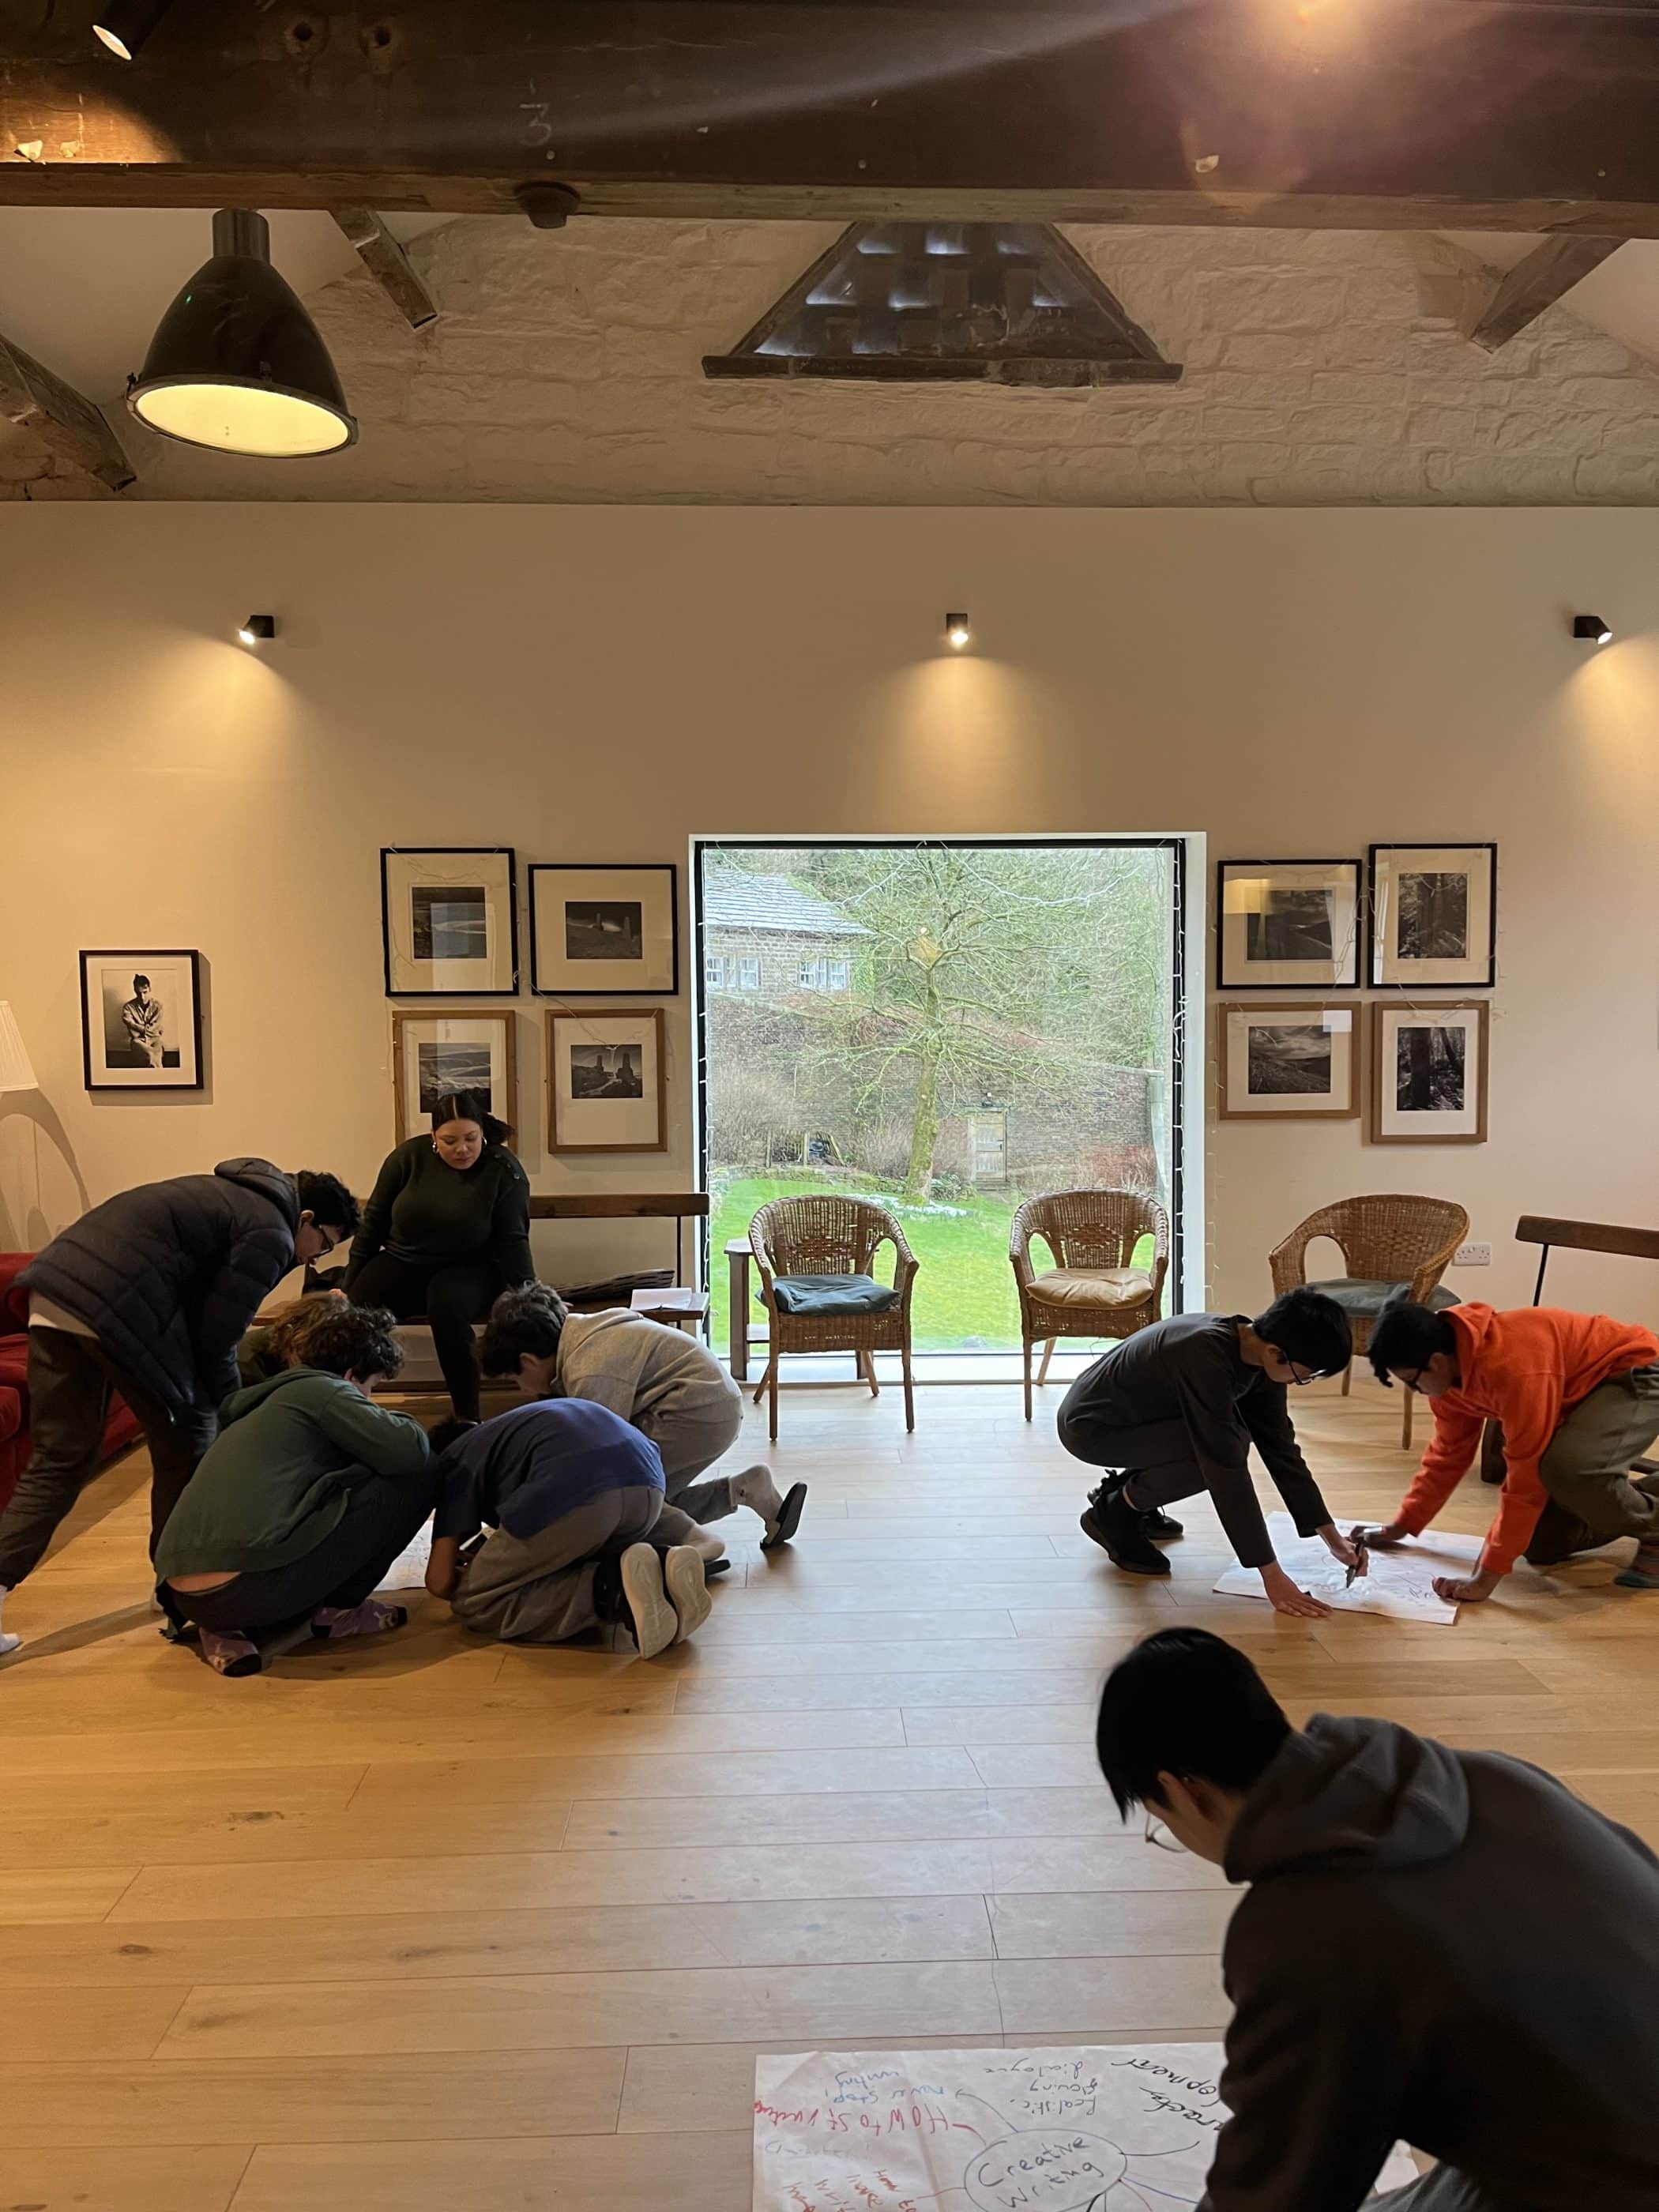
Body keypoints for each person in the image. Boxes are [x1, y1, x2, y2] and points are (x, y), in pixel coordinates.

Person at [1094, 1627, 1659, 2211]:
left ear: (1183, 1791)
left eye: (1162, 1819)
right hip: (1599, 2128)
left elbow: (1276, 2189)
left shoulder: (1304, 1930)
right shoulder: (1491, 1776)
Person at [0, 1157, 359, 1658]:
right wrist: (236, 1409)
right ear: (307, 1219)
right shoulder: (271, 1231)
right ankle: (179, 1589)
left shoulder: (232, 1196)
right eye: (322, 1244)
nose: (312, 1259)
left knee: (58, 1460)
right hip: (115, 1305)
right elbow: (219, 1339)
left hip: (54, 1289)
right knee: (189, 1440)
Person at [154, 1302, 435, 1677]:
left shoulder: (263, 1404)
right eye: (371, 1387)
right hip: (245, 1593)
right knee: (423, 1471)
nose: (369, 1399)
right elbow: (409, 1452)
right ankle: (340, 1612)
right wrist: (390, 1418)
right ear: (351, 1374)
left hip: (184, 1597)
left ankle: (223, 1630)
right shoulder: (325, 1392)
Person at [1058, 1288, 1357, 1616]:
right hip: (1092, 1429)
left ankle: (1130, 1496)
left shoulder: (1255, 1350)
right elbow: (1225, 1468)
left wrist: (1333, 1539)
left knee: (1232, 1439)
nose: (1302, 1382)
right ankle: (1115, 1510)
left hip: (1139, 1419)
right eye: (1306, 1375)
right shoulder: (1203, 1354)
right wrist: (1272, 1575)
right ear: (1276, 1353)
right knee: (1220, 1451)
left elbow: (1281, 1448)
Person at [1360, 1296, 1659, 1604]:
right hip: (1577, 1392)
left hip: (1635, 1369)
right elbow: (1447, 1457)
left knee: (1570, 1468)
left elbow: (1525, 1479)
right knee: (1543, 1544)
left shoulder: (1513, 1368)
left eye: (1411, 1381)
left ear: (1436, 1362)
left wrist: (1484, 1580)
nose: (1416, 1391)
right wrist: (1403, 1525)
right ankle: (1648, 1497)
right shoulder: (1449, 1380)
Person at [479, 1282, 806, 1555]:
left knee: (627, 1504)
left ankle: (696, 1544)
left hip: (696, 1411)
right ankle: (745, 1489)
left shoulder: (589, 1370)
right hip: (708, 1403)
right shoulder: (584, 1332)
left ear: (528, 1361)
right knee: (649, 1497)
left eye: (515, 1378)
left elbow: (594, 1458)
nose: (522, 1389)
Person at [425, 1396, 711, 1654]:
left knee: (474, 1601)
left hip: (574, 1492)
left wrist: (473, 1577)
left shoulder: (453, 1459)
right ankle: (663, 1575)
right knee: (574, 1558)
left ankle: (612, 1591)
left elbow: (439, 1582)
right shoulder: (513, 1429)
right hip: (649, 1487)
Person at [344, 1092, 534, 1425]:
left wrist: (530, 1296)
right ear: (433, 1137)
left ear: (482, 1133)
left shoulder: (503, 1169)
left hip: (473, 1266)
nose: (462, 1149)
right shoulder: (407, 1158)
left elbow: (513, 1241)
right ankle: (349, 1402)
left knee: (447, 1307)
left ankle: (467, 1417)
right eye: (450, 1141)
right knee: (357, 1305)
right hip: (405, 1259)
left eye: (471, 1139)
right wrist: (348, 1285)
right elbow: (373, 1224)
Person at [120, 973, 164, 1067]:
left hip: (155, 1040)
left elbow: (156, 1028)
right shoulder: (128, 1008)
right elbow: (134, 1034)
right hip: (138, 1042)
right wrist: (150, 1030)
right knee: (152, 1055)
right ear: (135, 991)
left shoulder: (158, 1006)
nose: (142, 997)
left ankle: (153, 1057)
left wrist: (135, 1026)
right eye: (138, 993)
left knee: (152, 1054)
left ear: (150, 989)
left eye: (145, 992)